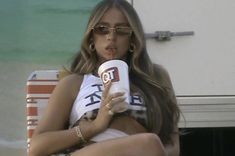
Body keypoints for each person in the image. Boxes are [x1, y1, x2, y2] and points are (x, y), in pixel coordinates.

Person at [29, 0, 180, 156]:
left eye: (121, 30)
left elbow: (173, 146)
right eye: (102, 29)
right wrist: (94, 126)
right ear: (92, 37)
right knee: (149, 142)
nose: (111, 36)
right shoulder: (74, 83)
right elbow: (37, 147)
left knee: (150, 143)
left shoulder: (156, 77)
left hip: (144, 152)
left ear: (132, 39)